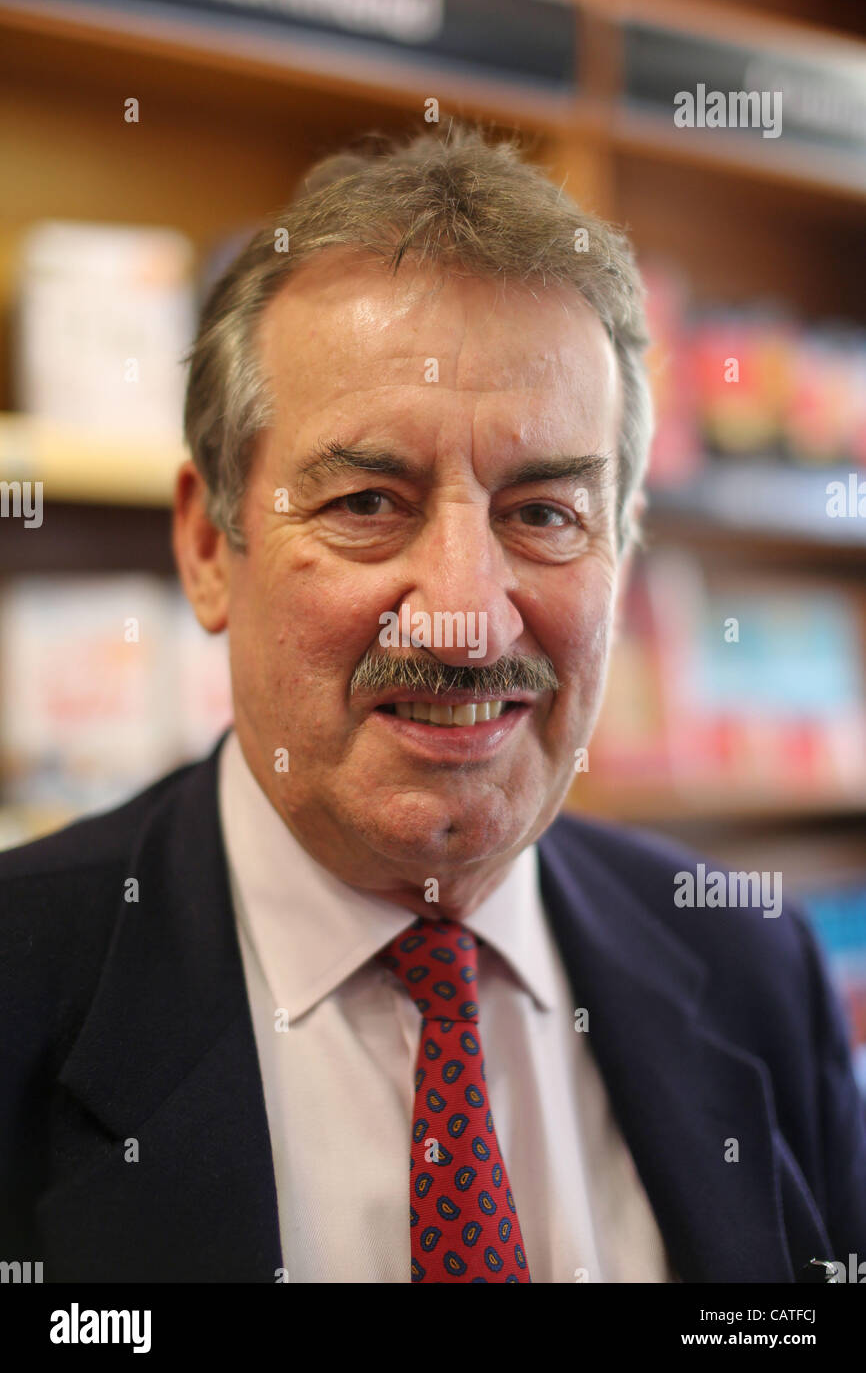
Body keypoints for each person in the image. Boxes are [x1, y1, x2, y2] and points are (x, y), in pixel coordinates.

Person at [2, 123, 863, 1284]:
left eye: (543, 513)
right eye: (366, 501)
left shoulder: (750, 960)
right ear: (210, 545)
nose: (464, 616)